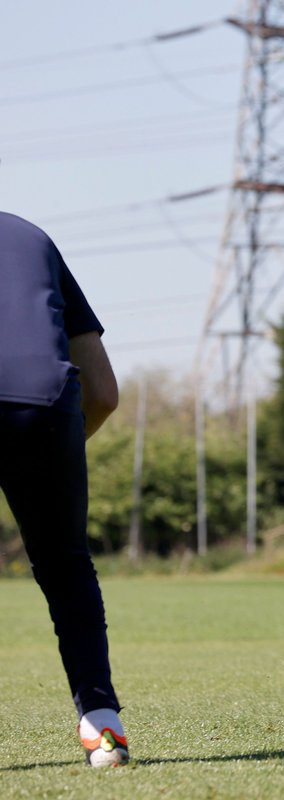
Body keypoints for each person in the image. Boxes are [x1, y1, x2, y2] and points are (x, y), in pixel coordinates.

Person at [0, 211, 129, 765]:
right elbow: (101, 391)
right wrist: (54, 456)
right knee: (65, 564)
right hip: (48, 406)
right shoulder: (31, 237)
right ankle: (104, 727)